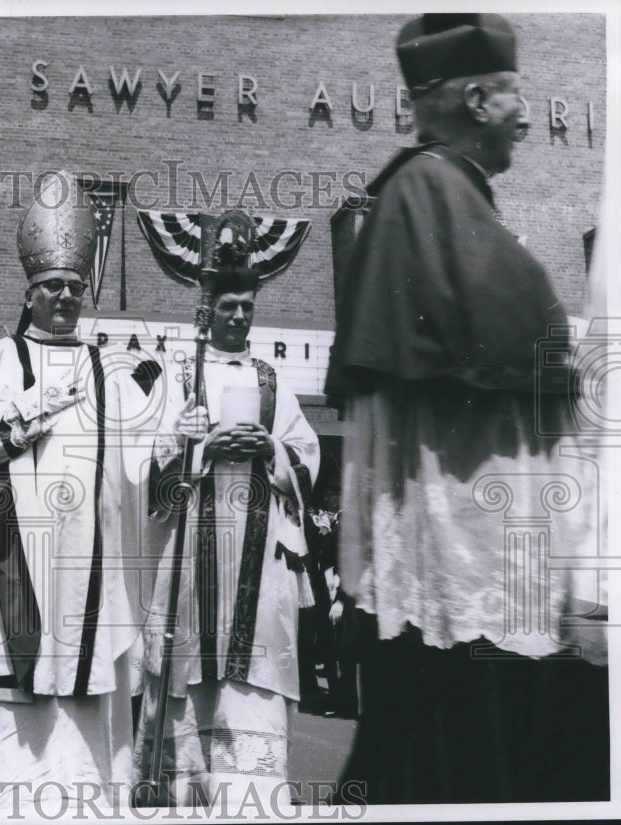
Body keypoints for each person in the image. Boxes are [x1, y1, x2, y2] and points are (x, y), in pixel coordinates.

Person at [325, 13, 609, 803]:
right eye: (516, 97)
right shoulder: (430, 190)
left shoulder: (439, 189)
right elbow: (519, 344)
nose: (526, 115)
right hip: (469, 556)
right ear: (478, 99)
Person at [0, 172, 163, 814]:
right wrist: (36, 407)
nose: (64, 297)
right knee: (11, 722)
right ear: (29, 294)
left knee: (85, 726)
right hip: (13, 567)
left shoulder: (106, 369)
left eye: (74, 288)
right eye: (52, 287)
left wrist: (177, 443)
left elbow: (145, 465)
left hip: (91, 573)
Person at [136, 210, 320, 808]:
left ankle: (250, 801)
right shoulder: (176, 371)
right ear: (207, 308)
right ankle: (183, 793)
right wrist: (203, 450)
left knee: (252, 682)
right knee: (188, 672)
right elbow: (150, 470)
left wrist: (270, 449)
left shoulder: (270, 380)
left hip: (257, 565)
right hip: (192, 556)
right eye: (227, 306)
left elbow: (307, 456)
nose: (239, 316)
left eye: (246, 306)